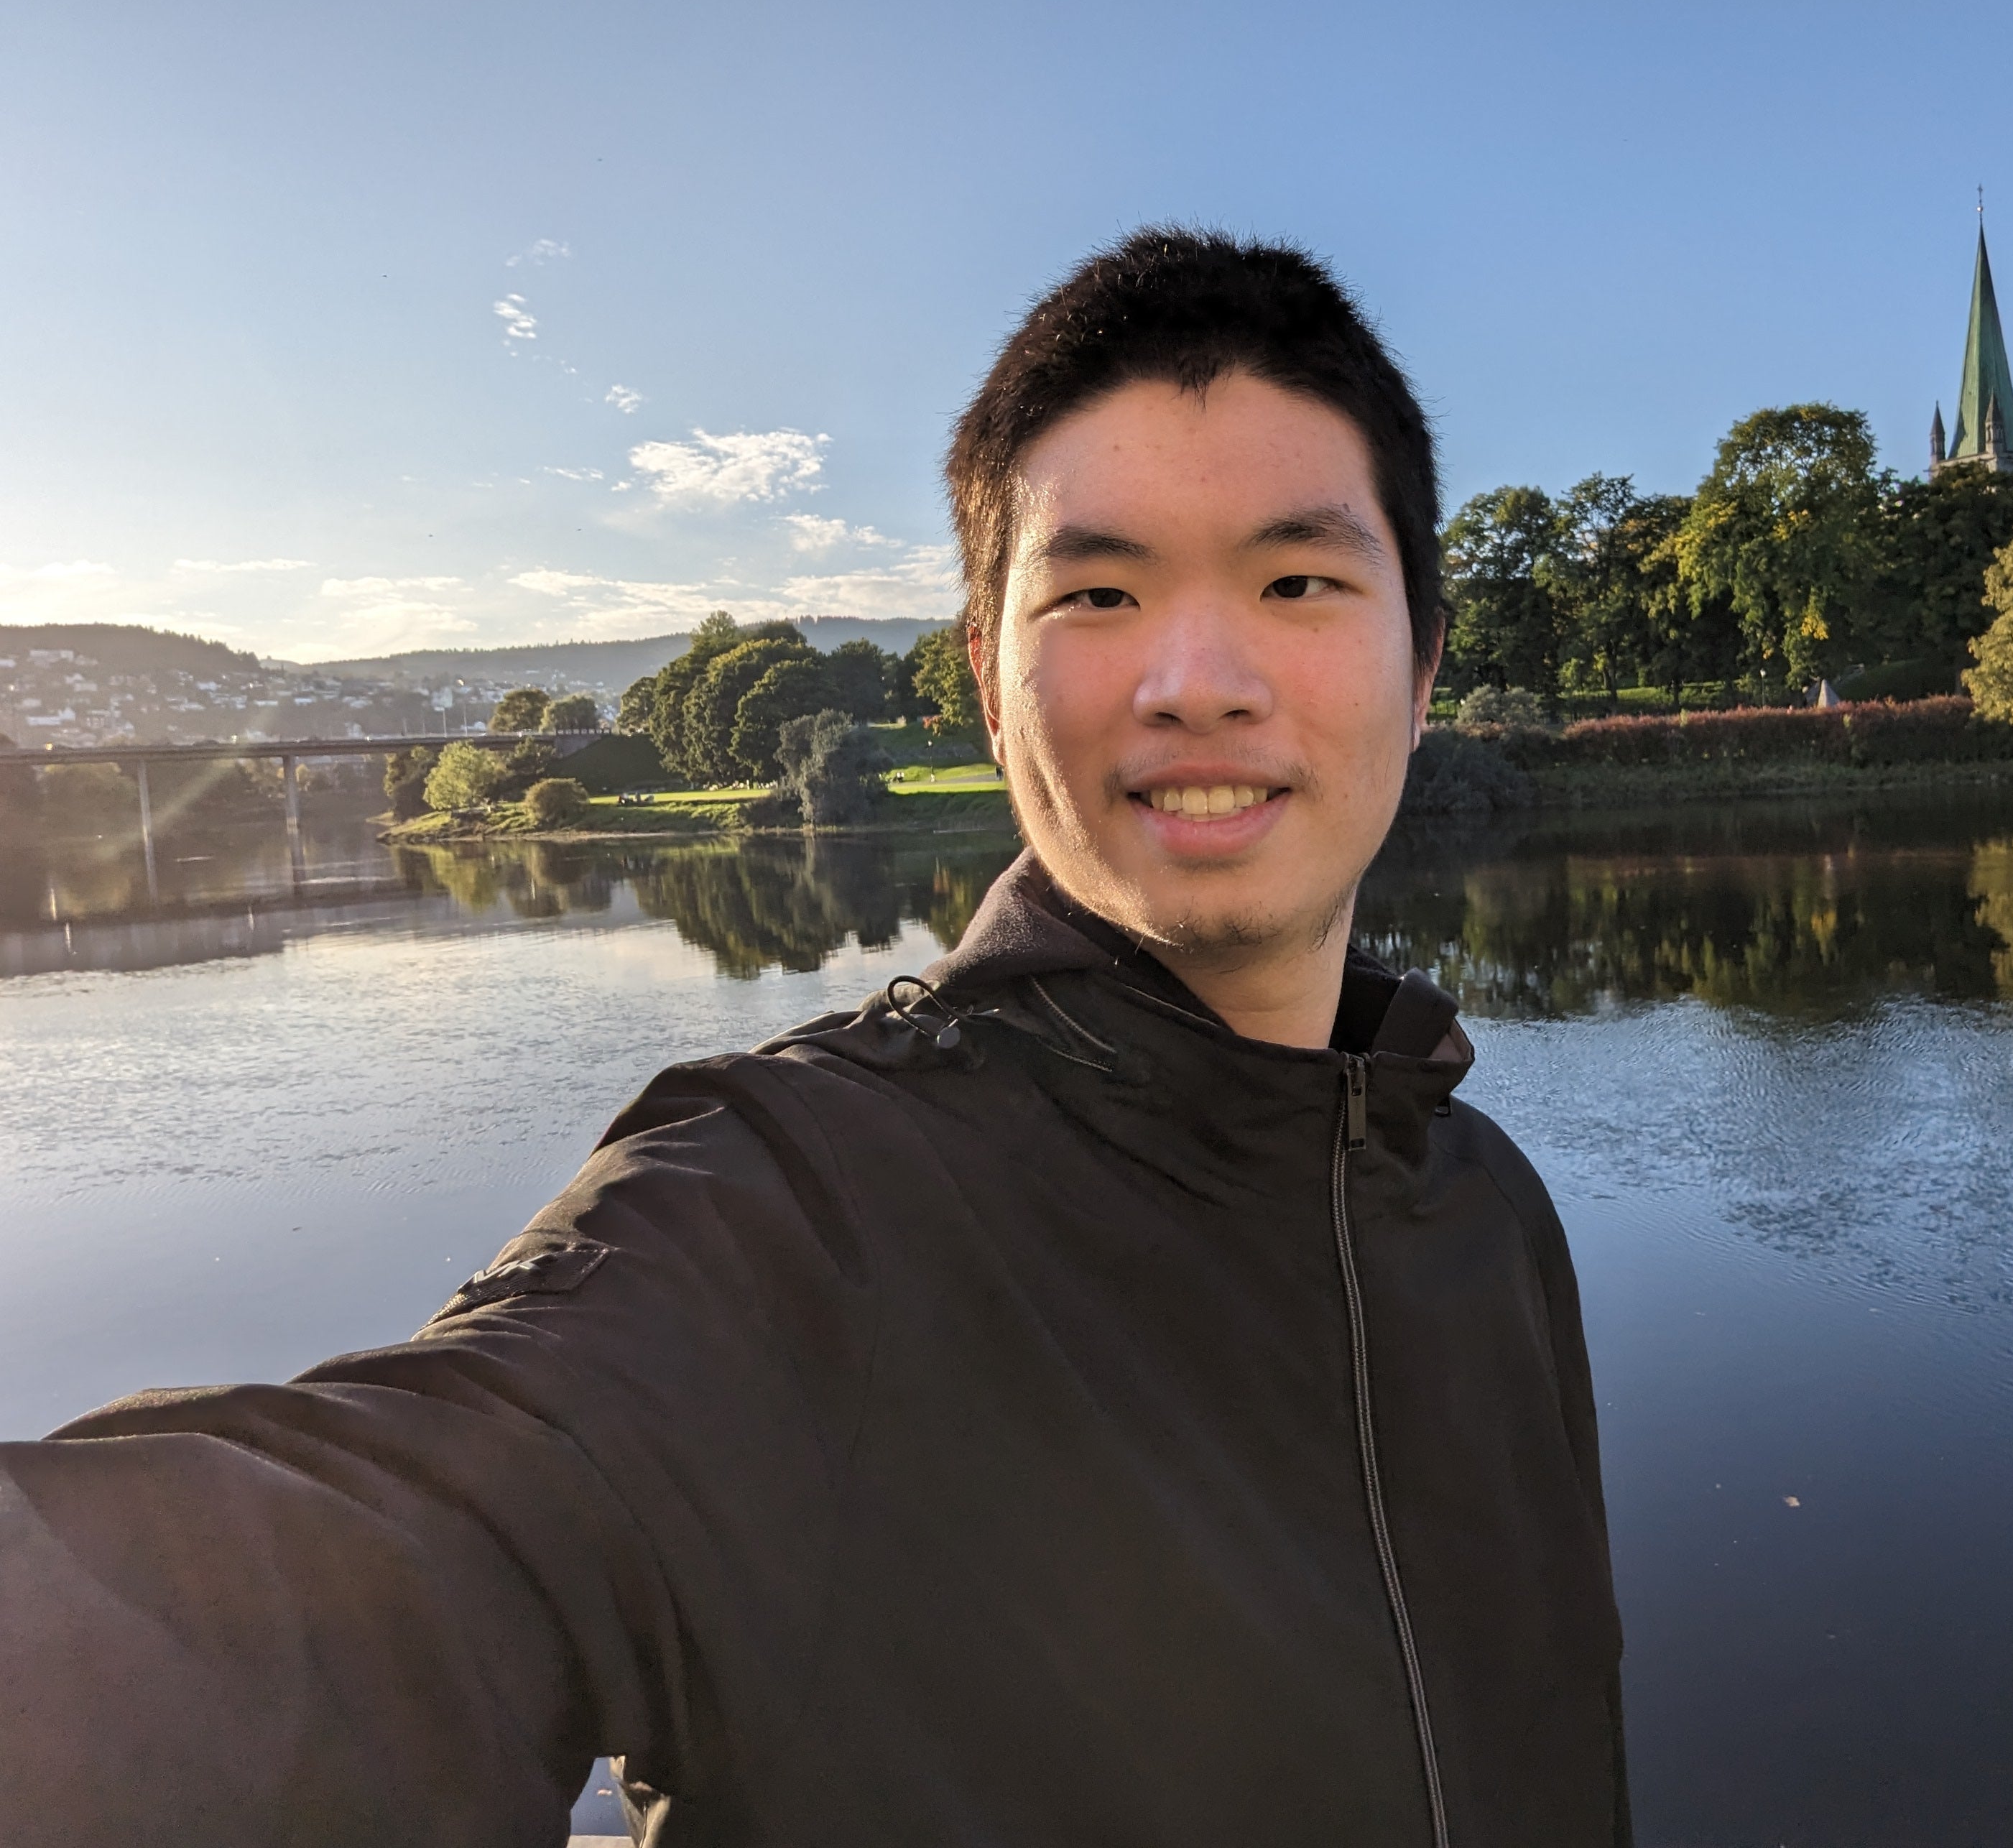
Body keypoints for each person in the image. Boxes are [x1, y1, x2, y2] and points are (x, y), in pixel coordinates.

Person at [0, 228, 1627, 1846]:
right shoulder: (797, 1213)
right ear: (989, 687)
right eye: (1102, 591)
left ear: (1423, 667)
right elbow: (385, 1556)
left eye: (1296, 582)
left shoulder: (1480, 1206)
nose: (1197, 681)